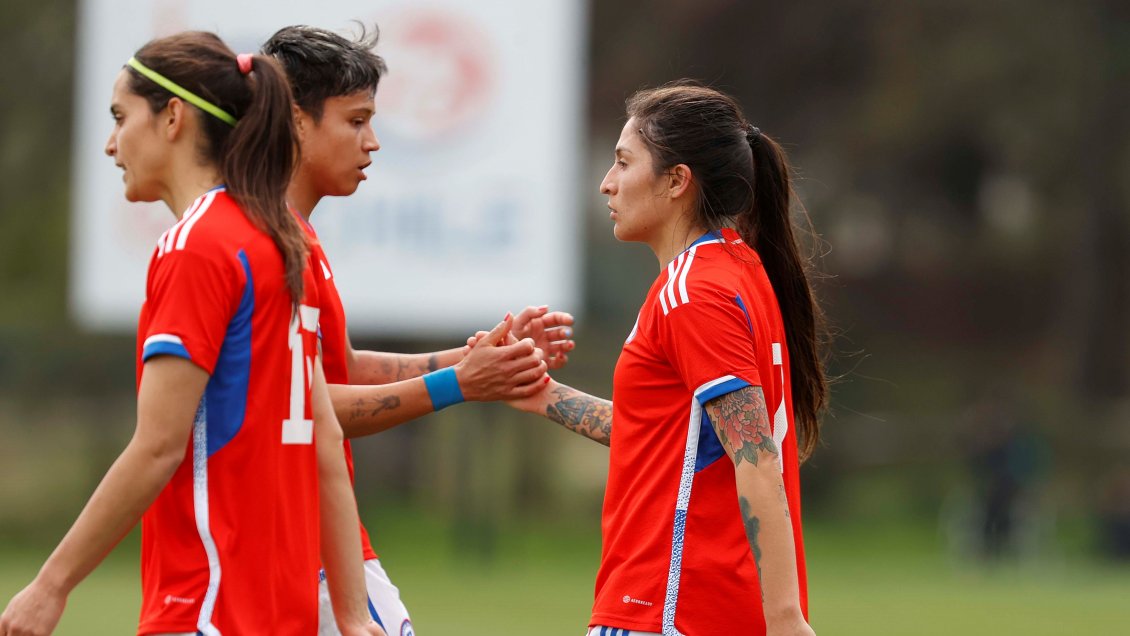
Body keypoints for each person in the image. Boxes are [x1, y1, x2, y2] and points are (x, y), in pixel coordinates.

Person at [0, 32, 379, 636]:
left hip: (204, 606)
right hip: (283, 612)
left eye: (121, 117)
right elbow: (326, 440)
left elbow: (157, 447)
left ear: (172, 117)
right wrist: (355, 618)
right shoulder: (276, 241)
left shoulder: (196, 246)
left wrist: (51, 586)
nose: (110, 144)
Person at [261, 25, 575, 635]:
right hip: (302, 541)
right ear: (296, 121)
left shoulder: (297, 237)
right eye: (356, 121)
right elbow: (301, 409)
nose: (374, 142)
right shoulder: (266, 243)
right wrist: (461, 382)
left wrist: (480, 357)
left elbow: (336, 368)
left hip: (305, 538)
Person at [502, 81, 826, 635]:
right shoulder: (736, 269)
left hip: (670, 607)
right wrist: (542, 394)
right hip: (702, 608)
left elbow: (755, 457)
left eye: (624, 163)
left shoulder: (694, 292)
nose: (606, 184)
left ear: (677, 181)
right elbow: (676, 436)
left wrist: (786, 618)